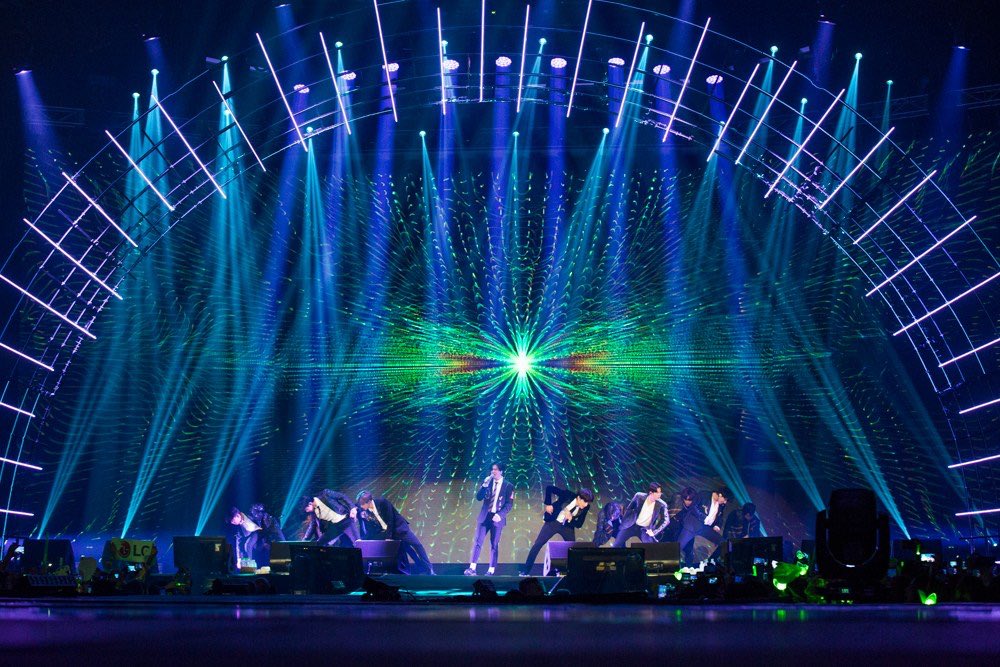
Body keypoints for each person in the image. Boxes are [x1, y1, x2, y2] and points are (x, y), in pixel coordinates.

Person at [518, 486, 595, 576]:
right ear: (578, 498)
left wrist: (571, 519)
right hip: (553, 522)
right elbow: (549, 488)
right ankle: (526, 571)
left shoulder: (586, 507)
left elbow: (579, 524)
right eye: (585, 502)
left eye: (588, 502)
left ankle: (573, 573)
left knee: (572, 550)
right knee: (538, 544)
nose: (586, 504)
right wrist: (548, 504)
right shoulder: (567, 495)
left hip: (567, 527)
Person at [355, 490, 435, 575]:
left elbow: (391, 520)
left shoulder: (383, 503)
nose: (361, 506)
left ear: (369, 501)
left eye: (362, 504)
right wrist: (363, 539)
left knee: (417, 545)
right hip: (388, 532)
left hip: (399, 529)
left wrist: (388, 537)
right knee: (407, 550)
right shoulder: (366, 511)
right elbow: (369, 527)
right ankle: (419, 568)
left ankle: (429, 569)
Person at [465, 462, 515, 576]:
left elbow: (509, 504)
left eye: (496, 469)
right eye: (492, 469)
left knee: (494, 544)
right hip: (485, 516)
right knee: (478, 542)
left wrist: (500, 515)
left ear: (501, 471)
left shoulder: (508, 485)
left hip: (497, 518)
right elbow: (479, 497)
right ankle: (472, 568)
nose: (493, 471)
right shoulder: (488, 482)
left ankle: (491, 570)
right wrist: (484, 485)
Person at [678, 485, 731, 564]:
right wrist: (703, 517)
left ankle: (711, 562)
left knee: (724, 543)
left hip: (705, 528)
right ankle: (668, 565)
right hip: (692, 525)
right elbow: (693, 507)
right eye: (725, 499)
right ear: (720, 495)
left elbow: (720, 517)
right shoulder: (704, 495)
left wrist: (717, 525)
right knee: (678, 547)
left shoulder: (721, 505)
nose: (725, 502)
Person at [613, 482, 670, 546]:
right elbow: (629, 508)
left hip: (645, 530)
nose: (660, 494)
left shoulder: (662, 504)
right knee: (616, 544)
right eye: (657, 492)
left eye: (660, 492)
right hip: (632, 524)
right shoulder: (639, 496)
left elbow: (666, 520)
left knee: (650, 548)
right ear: (651, 492)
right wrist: (625, 521)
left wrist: (654, 531)